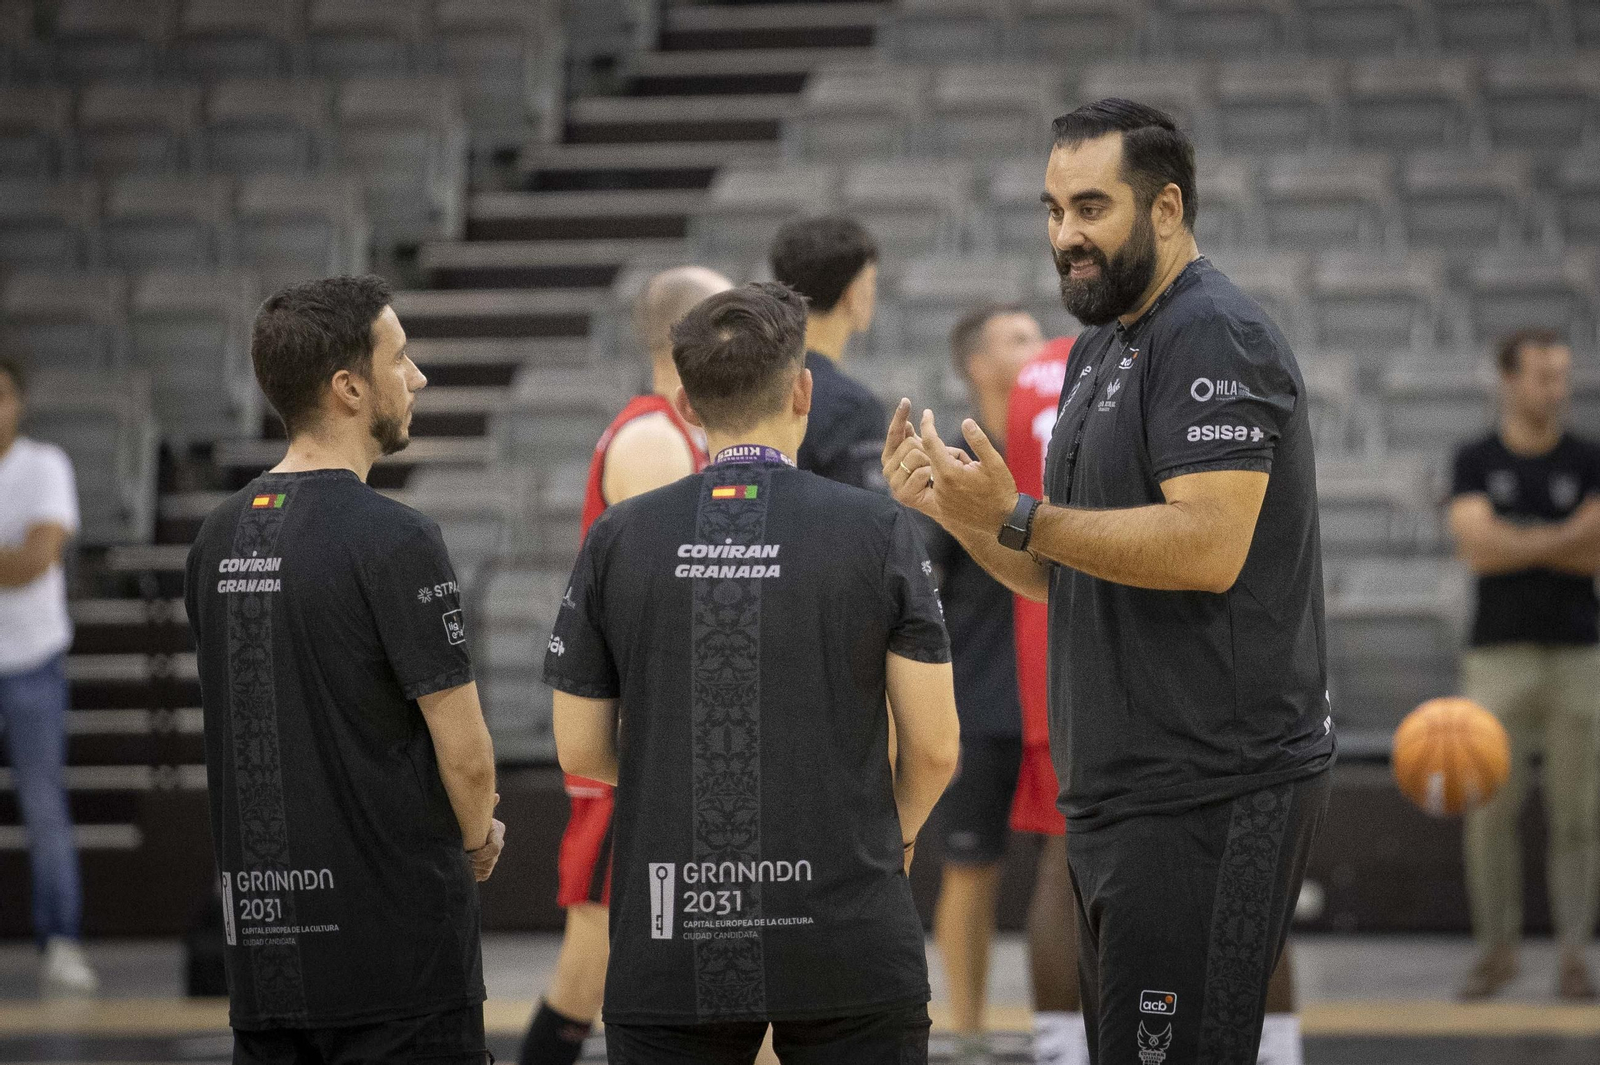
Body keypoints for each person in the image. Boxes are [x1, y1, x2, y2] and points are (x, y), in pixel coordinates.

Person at [882, 99, 1334, 1064]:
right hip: (1123, 790)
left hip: (1213, 783)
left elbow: (1207, 546)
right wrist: (955, 511)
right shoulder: (1100, 348)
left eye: (1091, 208)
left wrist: (1019, 514)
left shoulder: (1215, 335)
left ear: (1167, 208)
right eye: (1052, 211)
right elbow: (1058, 570)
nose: (1065, 236)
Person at [545, 281, 961, 1065]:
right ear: (802, 389)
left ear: (688, 405)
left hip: (672, 931)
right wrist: (889, 839)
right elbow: (936, 745)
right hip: (848, 924)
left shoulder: (617, 536)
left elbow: (579, 748)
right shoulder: (879, 528)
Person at [185, 276, 504, 1063]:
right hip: (400, 970)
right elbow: (464, 754)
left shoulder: (215, 539)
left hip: (268, 967)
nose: (418, 376)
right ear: (349, 388)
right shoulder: (397, 539)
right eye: (400, 358)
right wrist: (476, 839)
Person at [1007, 338, 1306, 1065]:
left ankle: (1060, 1046)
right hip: (1149, 633)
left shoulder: (1051, 374)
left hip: (1063, 637)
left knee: (1071, 859)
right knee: (1240, 876)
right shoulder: (1165, 359)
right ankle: (1278, 1045)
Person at [520, 265, 732, 1065]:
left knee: (615, 961)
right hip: (633, 739)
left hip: (653, 736)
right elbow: (670, 612)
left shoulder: (678, 432)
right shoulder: (652, 440)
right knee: (589, 959)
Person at [926, 306, 1084, 1065]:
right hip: (981, 699)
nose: (1036, 347)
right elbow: (919, 597)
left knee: (1073, 864)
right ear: (977, 365)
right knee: (971, 863)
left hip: (1060, 693)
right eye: (1016, 339)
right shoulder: (956, 467)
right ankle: (967, 1027)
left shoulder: (1067, 448)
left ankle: (1077, 1025)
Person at [1448, 327, 1600, 1002]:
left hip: (1578, 653)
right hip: (1497, 655)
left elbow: (1595, 555)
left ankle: (1573, 954)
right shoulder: (1475, 458)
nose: (1555, 389)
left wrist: (1518, 541)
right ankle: (1497, 951)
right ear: (1509, 379)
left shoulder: (1590, 456)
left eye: (1562, 375)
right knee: (1490, 814)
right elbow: (1476, 548)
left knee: (1579, 814)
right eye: (1542, 375)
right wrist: (1564, 539)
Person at [0, 356, 98, 995]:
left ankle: (60, 940)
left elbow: (34, 562)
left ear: (20, 401)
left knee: (44, 807)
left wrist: (18, 557)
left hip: (33, 661)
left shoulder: (45, 466)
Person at [769, 215, 886, 490]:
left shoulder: (746, 384)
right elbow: (864, 520)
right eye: (870, 282)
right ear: (853, 293)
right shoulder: (853, 408)